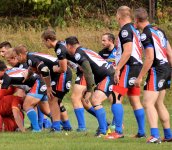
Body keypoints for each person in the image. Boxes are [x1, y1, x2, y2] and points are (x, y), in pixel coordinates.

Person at [64, 36, 122, 138]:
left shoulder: (78, 54)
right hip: (108, 74)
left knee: (96, 99)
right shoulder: (84, 49)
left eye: (66, 47)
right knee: (112, 100)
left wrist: (90, 90)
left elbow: (88, 72)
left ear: (69, 46)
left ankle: (105, 130)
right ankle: (108, 129)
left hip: (108, 75)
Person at [134, 7, 172, 143]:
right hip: (166, 68)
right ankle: (168, 135)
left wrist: (139, 77)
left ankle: (155, 136)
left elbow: (149, 58)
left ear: (137, 20)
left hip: (157, 69)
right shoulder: (159, 30)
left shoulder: (145, 34)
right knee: (158, 103)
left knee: (147, 102)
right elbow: (169, 51)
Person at [13, 45, 73, 132]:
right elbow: (31, 68)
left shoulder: (31, 58)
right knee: (54, 100)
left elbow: (44, 70)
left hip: (61, 74)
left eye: (16, 57)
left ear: (20, 55)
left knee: (53, 100)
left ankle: (57, 128)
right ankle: (65, 126)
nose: (17, 59)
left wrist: (48, 87)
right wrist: (27, 77)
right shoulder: (30, 57)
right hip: (59, 75)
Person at [41, 29, 88, 132]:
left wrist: (54, 69)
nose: (44, 44)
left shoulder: (59, 48)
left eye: (44, 41)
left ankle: (64, 127)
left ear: (48, 40)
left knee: (57, 99)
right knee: (84, 101)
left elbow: (63, 68)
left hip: (78, 73)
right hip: (80, 72)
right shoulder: (61, 46)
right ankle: (102, 123)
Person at [0, 60, 51, 132]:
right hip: (40, 82)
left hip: (37, 84)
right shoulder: (11, 71)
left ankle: (36, 129)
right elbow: (10, 90)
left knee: (27, 106)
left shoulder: (6, 77)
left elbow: (2, 93)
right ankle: (60, 126)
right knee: (45, 110)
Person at [114, 6, 146, 138]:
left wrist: (118, 69)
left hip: (128, 67)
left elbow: (127, 51)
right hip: (137, 66)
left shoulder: (125, 30)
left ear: (118, 16)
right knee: (134, 99)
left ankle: (118, 132)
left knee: (116, 96)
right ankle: (141, 132)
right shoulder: (135, 30)